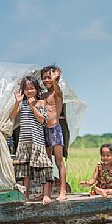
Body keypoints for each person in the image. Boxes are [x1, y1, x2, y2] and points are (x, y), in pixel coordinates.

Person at [9, 76, 54, 205]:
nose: (29, 91)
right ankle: (26, 193)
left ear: (37, 89)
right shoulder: (22, 103)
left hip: (37, 141)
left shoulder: (41, 103)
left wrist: (33, 106)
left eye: (32, 88)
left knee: (44, 166)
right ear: (23, 90)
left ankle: (46, 195)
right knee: (25, 169)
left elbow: (42, 120)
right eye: (27, 89)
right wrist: (17, 102)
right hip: (24, 140)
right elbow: (12, 116)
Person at [40, 65, 68, 202]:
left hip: (55, 129)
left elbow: (57, 89)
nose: (47, 80)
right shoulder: (43, 95)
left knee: (59, 161)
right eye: (44, 78)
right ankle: (47, 192)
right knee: (47, 163)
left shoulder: (57, 93)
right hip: (44, 130)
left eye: (49, 77)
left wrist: (55, 79)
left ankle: (63, 191)